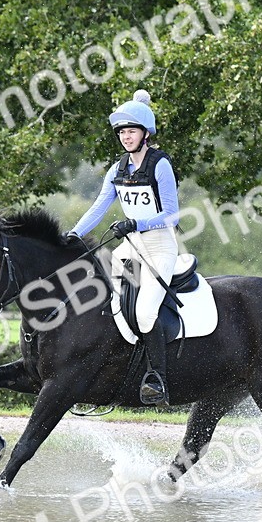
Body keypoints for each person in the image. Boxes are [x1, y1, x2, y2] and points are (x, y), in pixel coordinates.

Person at [67, 90, 179, 406]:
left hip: (159, 249)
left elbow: (172, 213)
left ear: (145, 134)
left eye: (131, 131)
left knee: (144, 313)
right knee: (102, 304)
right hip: (129, 250)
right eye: (122, 132)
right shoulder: (118, 169)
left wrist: (135, 224)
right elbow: (100, 205)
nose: (126, 137)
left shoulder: (160, 165)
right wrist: (73, 234)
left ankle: (158, 380)